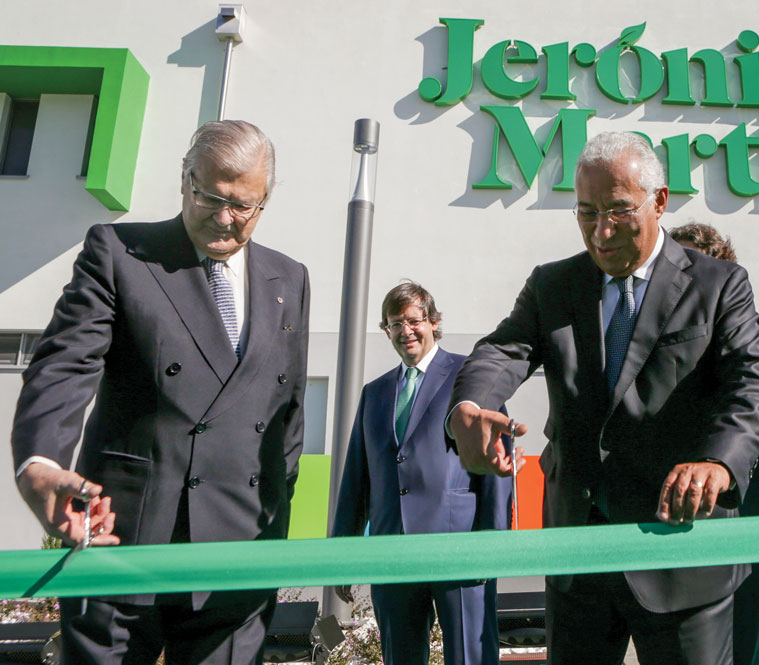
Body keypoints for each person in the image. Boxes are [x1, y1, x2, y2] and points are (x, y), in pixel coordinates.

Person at [447, 131, 759, 665]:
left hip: (682, 551)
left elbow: (751, 382)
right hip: (579, 557)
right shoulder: (553, 285)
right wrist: (467, 406)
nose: (600, 232)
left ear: (660, 202)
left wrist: (719, 462)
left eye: (619, 211)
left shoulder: (718, 285)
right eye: (585, 212)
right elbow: (503, 350)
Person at [11, 120, 310, 665]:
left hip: (239, 551)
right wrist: (40, 461)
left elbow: (286, 409)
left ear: (264, 200)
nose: (225, 218)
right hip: (123, 538)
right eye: (210, 197)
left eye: (244, 206)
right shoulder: (121, 252)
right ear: (184, 179)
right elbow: (65, 365)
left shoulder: (289, 278)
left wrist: (277, 503)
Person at [332, 281, 509, 665]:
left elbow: (496, 469)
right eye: (395, 324)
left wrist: (491, 545)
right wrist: (341, 555)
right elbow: (356, 482)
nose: (405, 331)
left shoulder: (470, 376)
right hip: (392, 555)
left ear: (434, 322)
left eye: (414, 321)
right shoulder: (374, 393)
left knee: (471, 658)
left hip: (460, 552)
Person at [669, 223, 759, 665]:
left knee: (743, 633)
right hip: (677, 511)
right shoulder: (652, 335)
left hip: (751, 508)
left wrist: (753, 477)